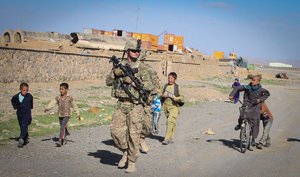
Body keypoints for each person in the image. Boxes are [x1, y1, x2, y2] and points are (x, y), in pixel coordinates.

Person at [106, 39, 154, 173]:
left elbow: (149, 86)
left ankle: (132, 161)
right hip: (121, 104)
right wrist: (114, 73)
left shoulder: (142, 67)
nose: (136, 53)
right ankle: (125, 152)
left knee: (134, 135)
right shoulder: (119, 66)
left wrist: (133, 83)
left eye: (138, 51)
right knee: (116, 132)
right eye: (133, 50)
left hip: (135, 105)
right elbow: (108, 82)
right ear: (127, 51)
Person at [229, 75, 270, 149]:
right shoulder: (247, 87)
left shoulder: (261, 90)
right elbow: (238, 88)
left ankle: (253, 139)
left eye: (254, 80)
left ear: (258, 82)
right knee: (242, 114)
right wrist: (232, 95)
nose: (252, 81)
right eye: (252, 80)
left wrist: (260, 99)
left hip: (255, 107)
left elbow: (267, 94)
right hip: (247, 105)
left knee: (255, 122)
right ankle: (239, 124)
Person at [44, 83, 81, 147]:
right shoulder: (58, 97)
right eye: (60, 89)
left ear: (66, 89)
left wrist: (78, 114)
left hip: (67, 115)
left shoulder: (70, 97)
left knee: (62, 127)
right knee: (63, 127)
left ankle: (60, 140)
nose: (61, 90)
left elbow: (74, 105)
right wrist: (47, 108)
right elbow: (53, 102)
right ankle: (65, 137)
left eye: (62, 89)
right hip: (60, 115)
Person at [160, 72, 184, 145]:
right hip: (166, 107)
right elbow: (160, 94)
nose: (169, 80)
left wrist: (177, 98)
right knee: (171, 122)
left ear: (175, 79)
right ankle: (171, 137)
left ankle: (166, 138)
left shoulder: (177, 87)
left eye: (171, 78)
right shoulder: (165, 86)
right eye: (169, 78)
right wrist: (162, 95)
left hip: (174, 107)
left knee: (170, 121)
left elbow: (182, 97)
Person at [11, 82, 33, 148]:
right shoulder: (16, 97)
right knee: (22, 126)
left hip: (27, 114)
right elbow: (12, 100)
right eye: (24, 90)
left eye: (27, 90)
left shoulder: (29, 96)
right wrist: (15, 107)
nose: (25, 92)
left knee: (24, 125)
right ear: (20, 89)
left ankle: (21, 139)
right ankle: (25, 138)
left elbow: (31, 104)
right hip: (20, 114)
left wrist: (30, 108)